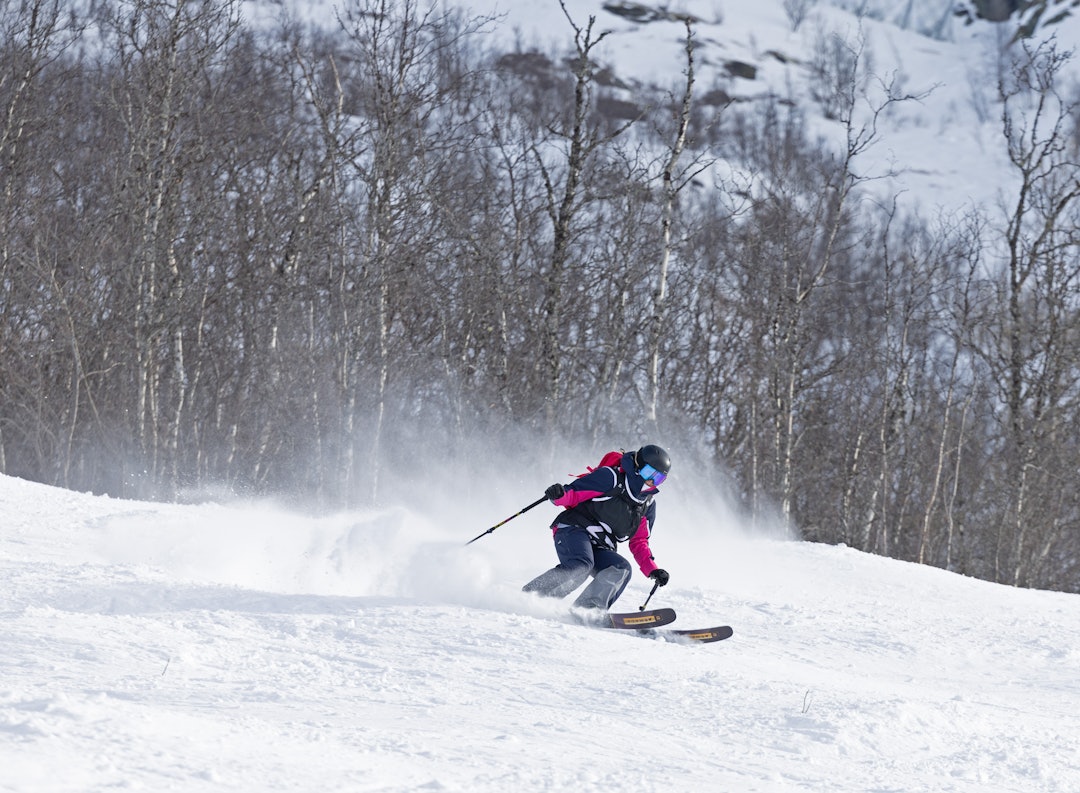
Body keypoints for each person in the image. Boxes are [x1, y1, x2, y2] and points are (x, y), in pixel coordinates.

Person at [522, 444, 671, 614]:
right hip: (574, 529)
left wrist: (652, 569)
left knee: (621, 569)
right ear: (637, 466)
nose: (651, 481)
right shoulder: (611, 478)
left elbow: (639, 541)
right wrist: (559, 495)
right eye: (648, 473)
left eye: (658, 478)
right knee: (582, 565)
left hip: (600, 544)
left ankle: (587, 611)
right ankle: (532, 597)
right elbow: (574, 494)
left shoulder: (647, 505)